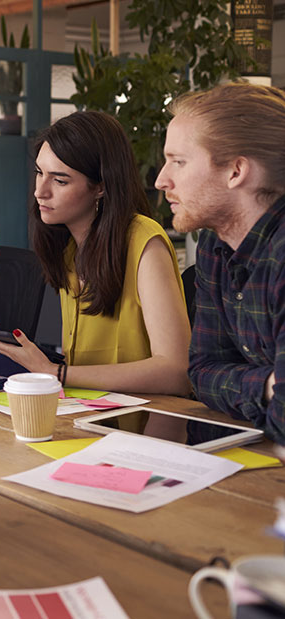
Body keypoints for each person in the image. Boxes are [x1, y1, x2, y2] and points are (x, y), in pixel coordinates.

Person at [0, 111, 190, 395]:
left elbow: (176, 373)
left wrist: (55, 373)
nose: (41, 191)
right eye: (40, 173)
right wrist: (14, 350)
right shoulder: (68, 248)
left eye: (60, 180)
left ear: (100, 187)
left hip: (138, 426)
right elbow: (80, 369)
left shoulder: (143, 241)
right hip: (84, 415)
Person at [155, 82, 285, 442]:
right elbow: (200, 372)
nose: (161, 180)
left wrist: (254, 388)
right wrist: (268, 385)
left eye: (178, 162)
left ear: (235, 171)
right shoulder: (216, 243)